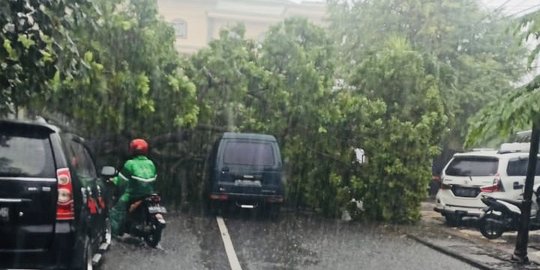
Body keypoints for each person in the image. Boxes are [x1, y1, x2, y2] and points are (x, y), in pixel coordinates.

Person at [110, 138, 157, 237]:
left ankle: (114, 232)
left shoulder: (129, 163)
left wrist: (113, 180)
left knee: (118, 208)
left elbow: (121, 181)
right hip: (149, 194)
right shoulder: (151, 163)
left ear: (132, 150)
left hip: (133, 194)